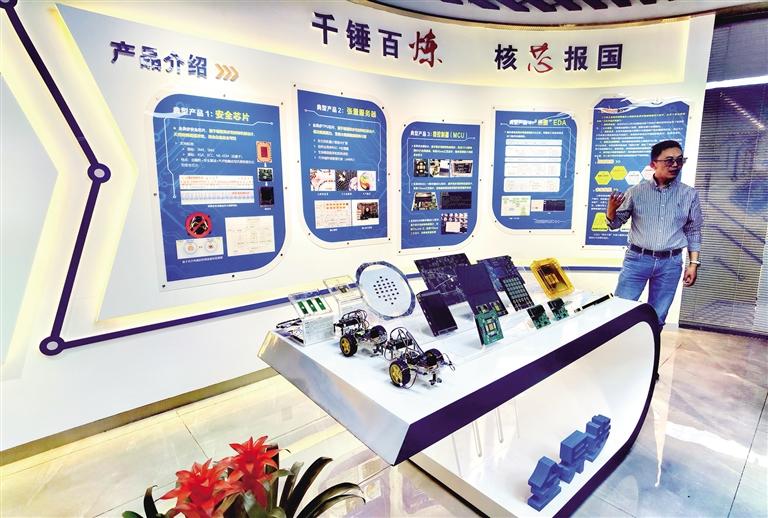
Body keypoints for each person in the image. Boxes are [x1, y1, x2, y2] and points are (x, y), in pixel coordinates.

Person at [606, 140, 704, 328]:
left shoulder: (689, 195)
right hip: (637, 260)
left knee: (658, 316)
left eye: (679, 160)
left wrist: (693, 264)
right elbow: (615, 223)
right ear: (653, 164)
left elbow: (694, 230)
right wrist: (611, 210)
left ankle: (649, 346)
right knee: (621, 310)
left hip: (670, 263)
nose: (675, 165)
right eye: (669, 160)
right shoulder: (636, 192)